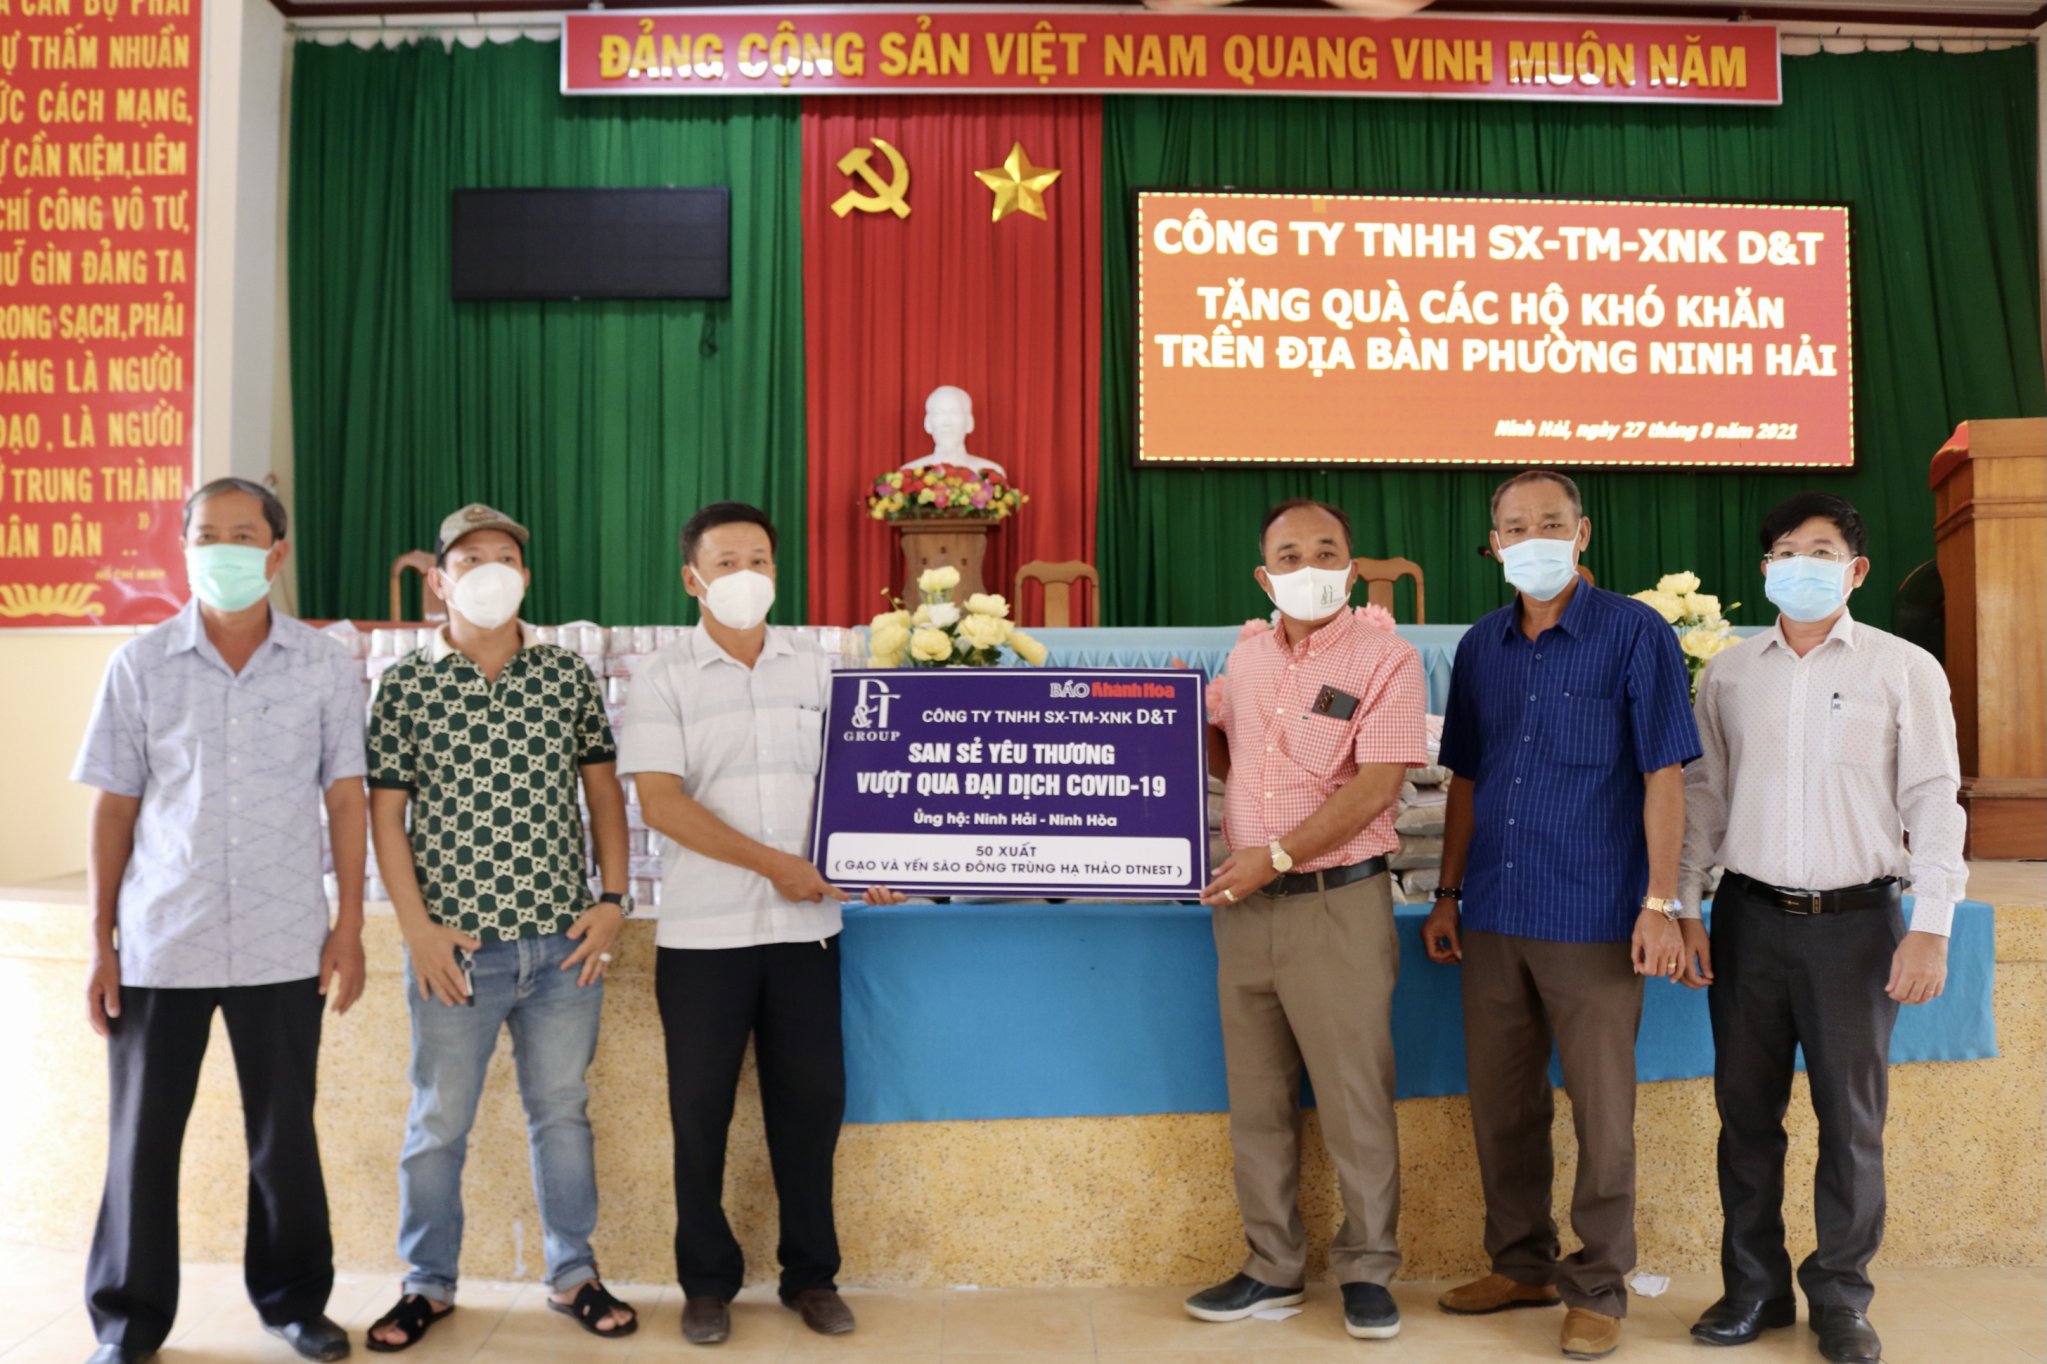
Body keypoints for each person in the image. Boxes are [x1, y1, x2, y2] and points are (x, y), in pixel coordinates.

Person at [72, 477, 364, 1364]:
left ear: (276, 552)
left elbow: (347, 801)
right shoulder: (140, 662)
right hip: (164, 938)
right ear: (185, 547)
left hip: (284, 942)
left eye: (245, 534)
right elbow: (114, 810)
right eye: (208, 534)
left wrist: (348, 926)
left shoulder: (322, 665)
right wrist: (100, 943)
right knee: (141, 1143)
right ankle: (127, 1321)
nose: (225, 549)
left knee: (284, 1139)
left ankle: (292, 1303)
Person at [1676, 493, 1965, 1364]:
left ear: (1855, 568)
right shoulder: (1726, 673)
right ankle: (1752, 1288)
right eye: (1785, 550)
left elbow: (1932, 799)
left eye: (1821, 548)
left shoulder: (1903, 668)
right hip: (1749, 922)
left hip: (1858, 925)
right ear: (1764, 568)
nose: (1800, 562)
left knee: (1850, 1124)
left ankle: (1839, 1295)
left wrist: (1933, 923)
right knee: (1745, 1116)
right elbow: (1702, 803)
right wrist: (1686, 907)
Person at [1422, 469, 1701, 1361]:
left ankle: (1598, 1287)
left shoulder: (1634, 633)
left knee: (1601, 1114)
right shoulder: (1479, 647)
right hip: (1495, 911)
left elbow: (1665, 774)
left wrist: (1660, 904)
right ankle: (1521, 1264)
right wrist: (1445, 891)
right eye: (1513, 525)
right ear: (1493, 543)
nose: (1531, 535)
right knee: (1501, 1106)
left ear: (1582, 533)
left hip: (1594, 917)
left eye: (1549, 521)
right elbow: (1464, 777)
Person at [617, 501, 904, 1347]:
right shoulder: (663, 675)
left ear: (777, 572)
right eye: (727, 560)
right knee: (700, 1115)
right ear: (692, 578)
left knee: (810, 1110)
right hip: (704, 939)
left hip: (806, 937)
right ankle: (706, 1285)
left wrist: (881, 861)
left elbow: (862, 788)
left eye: (760, 560)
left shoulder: (818, 671)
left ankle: (810, 1277)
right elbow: (660, 802)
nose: (746, 575)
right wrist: (777, 865)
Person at [363, 504, 637, 1352]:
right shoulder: (406, 683)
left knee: (561, 1113)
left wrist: (613, 899)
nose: (490, 568)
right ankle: (427, 1284)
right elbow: (385, 818)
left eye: (505, 556)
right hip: (456, 950)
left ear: (525, 576)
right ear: (439, 579)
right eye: (470, 557)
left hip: (562, 947)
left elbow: (601, 795)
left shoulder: (564, 675)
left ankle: (573, 1276)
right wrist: (416, 930)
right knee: (438, 1121)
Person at [1183, 498, 1427, 1342]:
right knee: (1256, 1101)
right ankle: (1270, 1267)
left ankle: (1366, 1268)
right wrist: (1174, 714)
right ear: (1264, 573)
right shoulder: (1245, 658)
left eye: (1327, 550)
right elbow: (1223, 751)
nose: (1308, 565)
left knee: (1356, 1097)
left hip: (1334, 903)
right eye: (1289, 554)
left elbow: (1378, 785)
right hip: (1242, 911)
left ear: (1352, 565)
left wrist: (1279, 856)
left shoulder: (1388, 656)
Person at [900, 385, 1007, 478]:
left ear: (969, 422)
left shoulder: (991, 473)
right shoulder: (909, 474)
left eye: (955, 414)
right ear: (927, 423)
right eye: (939, 414)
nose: (947, 422)